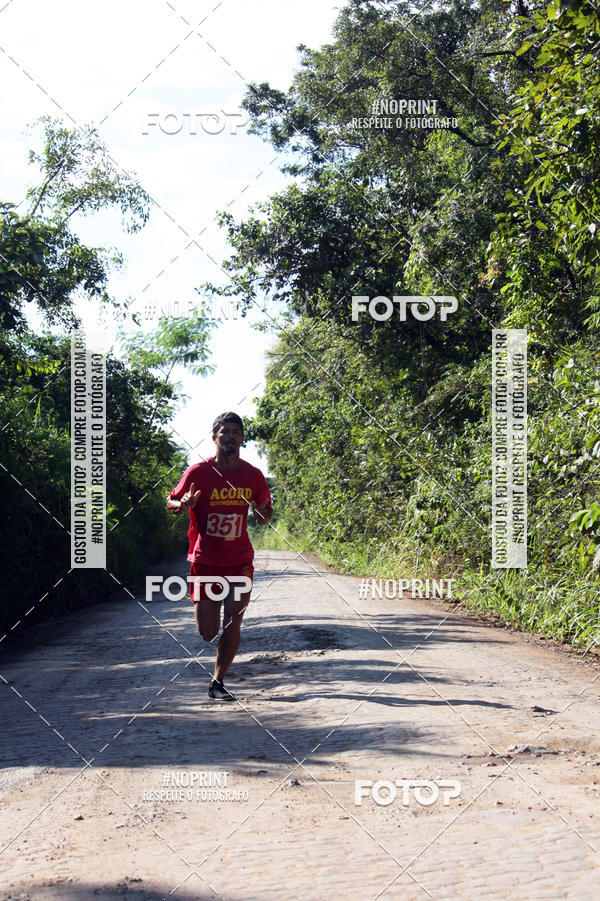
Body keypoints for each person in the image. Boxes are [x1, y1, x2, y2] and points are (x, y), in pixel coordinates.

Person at [167, 412, 272, 701]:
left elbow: (264, 512)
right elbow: (172, 500)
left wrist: (263, 514)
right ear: (214, 438)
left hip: (239, 560)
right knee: (208, 631)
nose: (230, 437)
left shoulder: (252, 475)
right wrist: (182, 502)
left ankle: (218, 681)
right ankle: (216, 666)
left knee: (233, 621)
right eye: (224, 432)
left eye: (236, 432)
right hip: (206, 560)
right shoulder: (198, 472)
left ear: (241, 439)